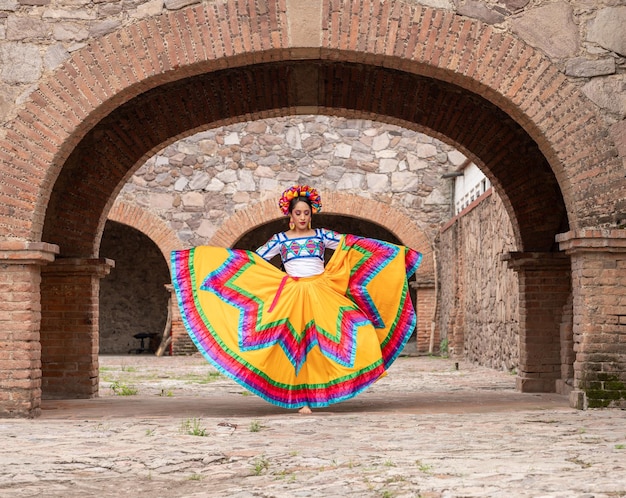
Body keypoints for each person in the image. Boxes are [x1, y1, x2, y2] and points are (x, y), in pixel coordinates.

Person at [171, 185, 422, 413]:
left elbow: (351, 245)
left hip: (322, 292)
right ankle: (302, 399)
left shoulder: (322, 236)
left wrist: (393, 254)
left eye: (306, 213)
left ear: (311, 214)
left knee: (358, 329)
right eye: (298, 213)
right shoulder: (280, 240)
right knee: (297, 348)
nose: (302, 217)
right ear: (290, 216)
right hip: (292, 296)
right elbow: (254, 260)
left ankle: (334, 386)